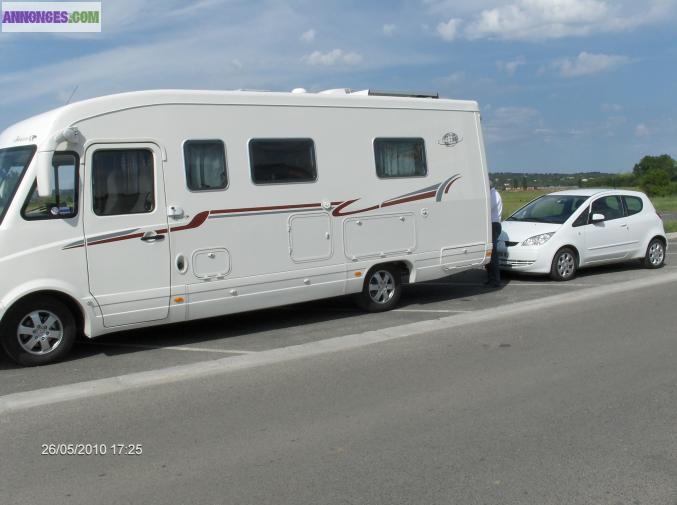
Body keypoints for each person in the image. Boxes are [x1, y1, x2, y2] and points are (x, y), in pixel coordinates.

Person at [486, 184, 503, 287]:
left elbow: (487, 208)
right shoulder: (492, 194)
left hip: (493, 224)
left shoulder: (494, 195)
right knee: (489, 253)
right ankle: (491, 278)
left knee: (492, 254)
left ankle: (495, 279)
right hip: (492, 224)